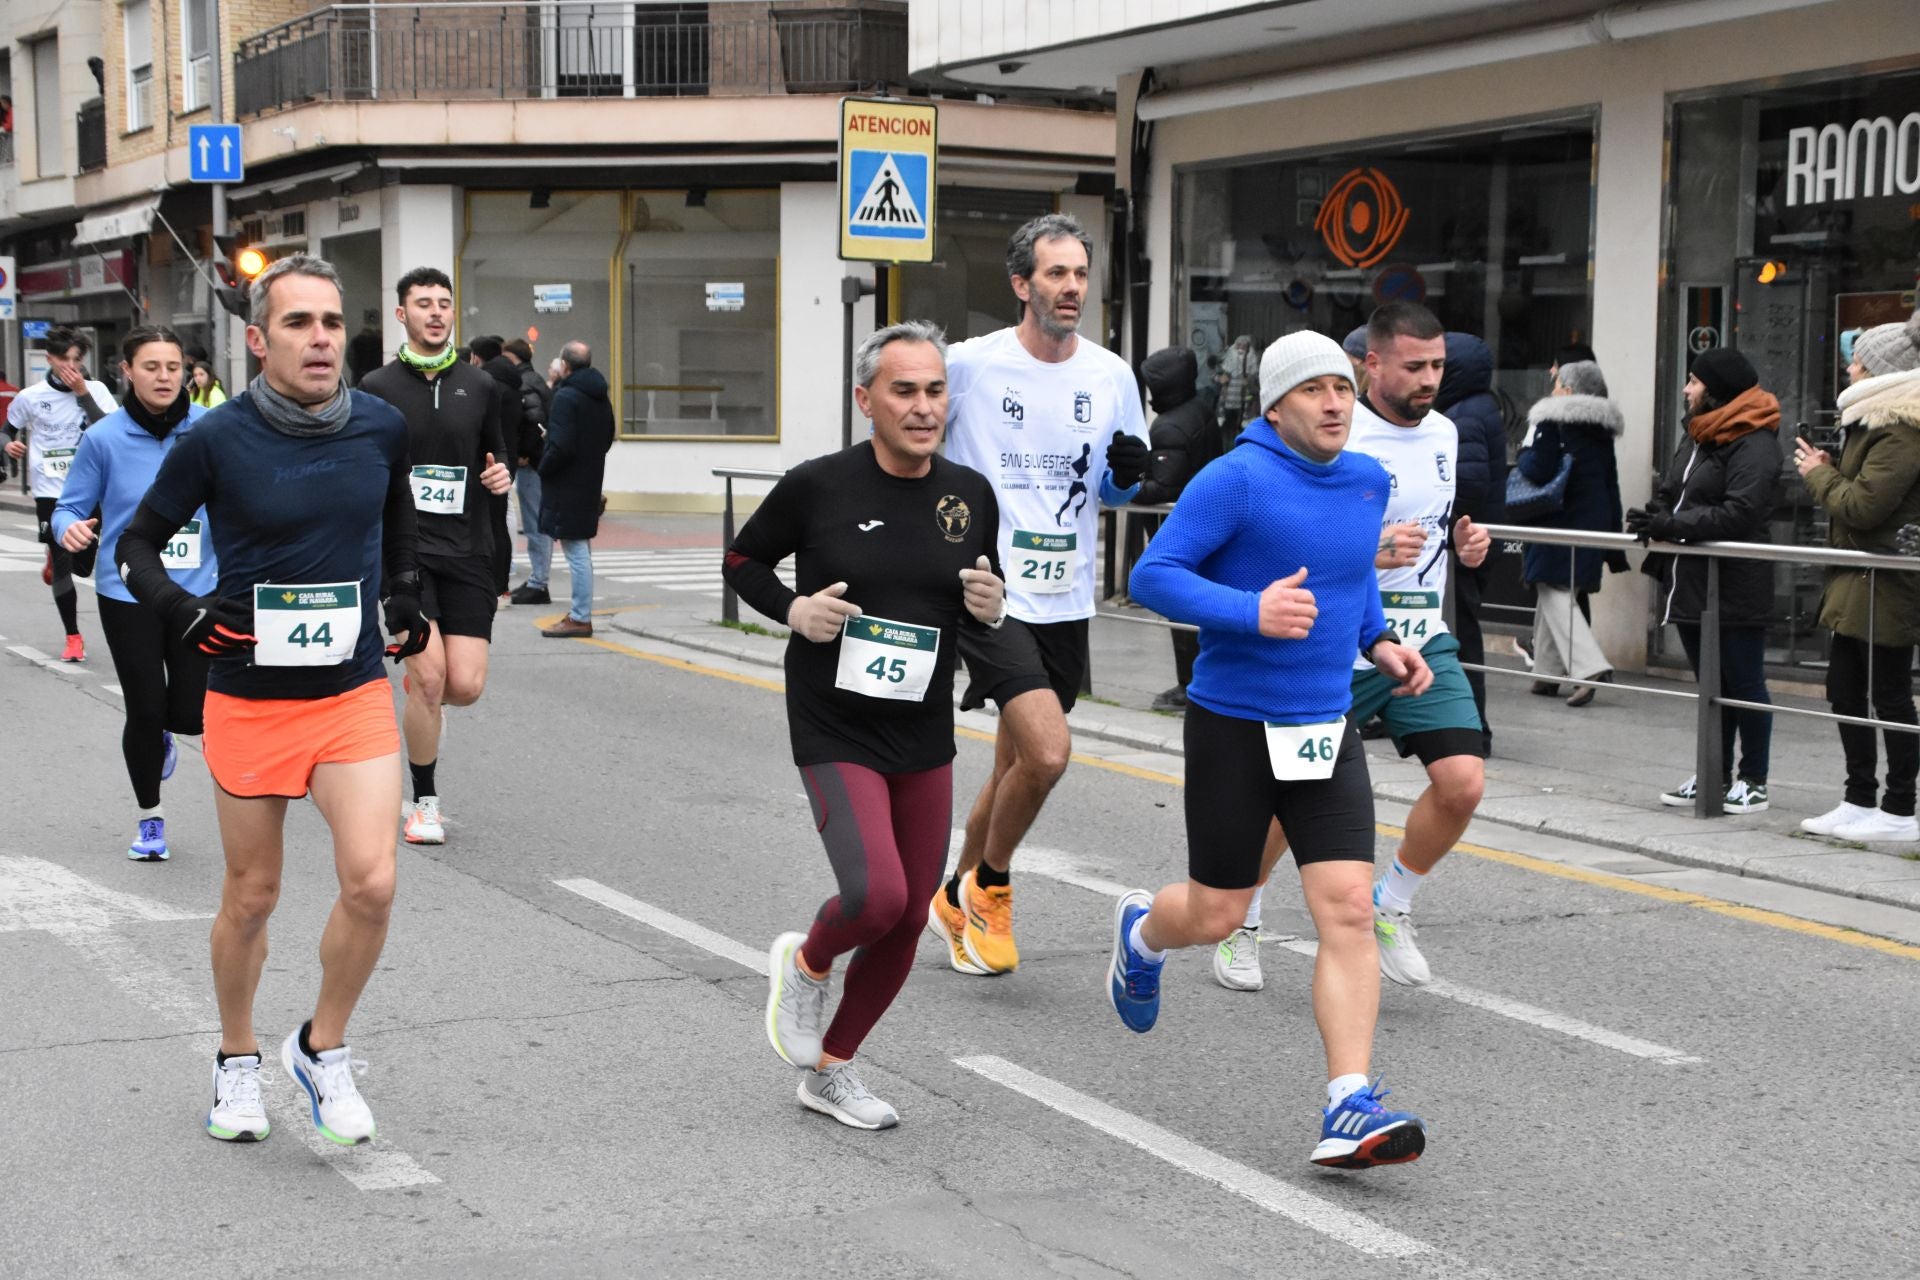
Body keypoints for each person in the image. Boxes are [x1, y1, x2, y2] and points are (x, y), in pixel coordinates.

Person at [113, 253, 429, 1145]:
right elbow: (140, 543)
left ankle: (321, 1049)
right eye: (298, 324)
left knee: (372, 880)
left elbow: (394, 510)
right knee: (253, 895)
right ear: (257, 341)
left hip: (352, 688)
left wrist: (405, 590)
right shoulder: (215, 439)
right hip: (249, 696)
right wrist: (183, 614)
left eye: (331, 322)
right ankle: (237, 1058)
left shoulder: (378, 425)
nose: (321, 338)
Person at [1119, 330, 1434, 1169]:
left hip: (1325, 728)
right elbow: (1154, 575)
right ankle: (1144, 936)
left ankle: (1348, 1104)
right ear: (1274, 406)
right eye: (1313, 391)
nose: (1335, 403)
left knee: (1346, 910)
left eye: (1342, 386)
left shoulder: (1367, 480)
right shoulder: (1236, 480)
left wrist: (1379, 642)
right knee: (1217, 911)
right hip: (1234, 725)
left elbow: (1346, 577)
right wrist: (1249, 611)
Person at [727, 322, 1006, 1130]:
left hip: (919, 725)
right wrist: (794, 610)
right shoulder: (819, 486)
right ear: (866, 400)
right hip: (833, 718)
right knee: (876, 893)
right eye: (904, 391)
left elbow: (981, 596)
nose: (924, 408)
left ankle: (833, 1070)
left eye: (935, 390)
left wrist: (991, 607)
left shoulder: (968, 494)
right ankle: (808, 964)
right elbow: (742, 562)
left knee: (913, 909)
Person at [1214, 303, 1492, 994]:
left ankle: (1391, 903)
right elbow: (1296, 536)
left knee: (1463, 781)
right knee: (1292, 798)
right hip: (1333, 637)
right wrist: (1365, 550)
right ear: (1371, 363)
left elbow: (1434, 523)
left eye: (1437, 367)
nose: (1430, 379)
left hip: (1416, 634)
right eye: (1414, 366)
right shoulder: (1334, 431)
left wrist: (1466, 545)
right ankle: (1241, 918)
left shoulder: (1447, 434)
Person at [929, 212, 1150, 975]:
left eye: (1081, 274)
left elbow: (1118, 491)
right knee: (1049, 756)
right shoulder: (968, 366)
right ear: (1022, 284)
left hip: (1067, 593)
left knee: (1013, 767)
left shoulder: (1112, 374)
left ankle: (953, 896)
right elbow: (909, 428)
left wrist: (1127, 473)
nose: (1072, 288)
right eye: (1056, 274)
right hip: (989, 593)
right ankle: (990, 886)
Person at [359, 267, 511, 846]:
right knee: (429, 680)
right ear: (402, 314)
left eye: (444, 303)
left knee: (464, 685)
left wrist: (501, 476)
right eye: (423, 303)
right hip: (405, 552)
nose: (436, 312)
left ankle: (423, 688)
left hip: (469, 549)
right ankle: (423, 801)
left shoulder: (482, 386)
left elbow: (499, 458)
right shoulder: (376, 387)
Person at [52, 326, 215, 861]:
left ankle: (170, 730)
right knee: (145, 709)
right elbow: (70, 506)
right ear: (127, 371)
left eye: (173, 366)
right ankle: (150, 818)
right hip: (128, 593)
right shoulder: (104, 438)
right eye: (151, 366)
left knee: (191, 714)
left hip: (198, 591)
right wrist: (69, 529)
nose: (164, 376)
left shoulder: (211, 430)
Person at [1629, 347, 1780, 815]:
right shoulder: (1698, 434)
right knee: (1710, 683)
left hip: (1736, 579)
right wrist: (1655, 515)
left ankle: (1754, 779)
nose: (1686, 389)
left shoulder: (1754, 441)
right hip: (1692, 578)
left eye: (1693, 381)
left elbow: (1740, 512)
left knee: (1744, 682)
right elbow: (1675, 492)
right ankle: (1713, 771)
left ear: (1715, 389)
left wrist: (1673, 525)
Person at [1796, 314, 1920, 842]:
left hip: (1886, 578)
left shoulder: (1901, 430)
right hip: (1860, 575)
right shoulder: (1876, 425)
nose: (1849, 367)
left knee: (1888, 693)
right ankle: (1858, 798)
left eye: (1857, 360)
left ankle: (1899, 809)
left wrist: (1817, 473)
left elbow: (1865, 507)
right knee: (1846, 688)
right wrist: (1830, 467)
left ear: (1880, 372)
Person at [1513, 359, 1624, 705]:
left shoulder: (1552, 418)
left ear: (1570, 390)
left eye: (1559, 382)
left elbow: (1539, 467)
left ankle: (1589, 667)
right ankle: (1546, 675)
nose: (1554, 388)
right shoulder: (1600, 428)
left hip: (1558, 518)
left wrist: (1523, 452)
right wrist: (1613, 539)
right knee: (1559, 590)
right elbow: (1611, 484)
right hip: (1593, 518)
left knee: (1554, 589)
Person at [5, 327, 117, 662]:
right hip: (49, 491)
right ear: (50, 359)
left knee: (84, 564)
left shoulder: (96, 390)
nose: (72, 366)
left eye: (77, 360)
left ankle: (57, 559)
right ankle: (73, 636)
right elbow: (6, 430)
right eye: (64, 359)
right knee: (66, 563)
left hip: (90, 488)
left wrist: (82, 393)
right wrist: (9, 445)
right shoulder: (30, 396)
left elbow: (110, 431)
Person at [1135, 344, 1224, 712]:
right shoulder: (1202, 409)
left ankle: (1188, 686)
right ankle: (1199, 681)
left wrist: (1128, 486)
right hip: (1208, 526)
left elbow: (1165, 487)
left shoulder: (1169, 425)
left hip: (1177, 533)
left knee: (1181, 607)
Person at [1435, 331, 1507, 752]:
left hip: (1462, 544)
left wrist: (1438, 523)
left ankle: (1472, 728)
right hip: (1468, 540)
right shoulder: (1473, 407)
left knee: (1460, 632)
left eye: (1437, 364)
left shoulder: (1464, 414)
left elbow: (1468, 484)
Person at [537, 341, 615, 638]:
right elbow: (608, 436)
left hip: (567, 482)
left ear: (565, 366)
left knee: (575, 548)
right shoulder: (600, 396)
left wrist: (544, 465)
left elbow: (560, 444)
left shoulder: (566, 396)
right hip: (590, 477)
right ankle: (579, 613)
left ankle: (580, 616)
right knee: (581, 545)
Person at [470, 334, 525, 603]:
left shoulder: (487, 385)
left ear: (477, 357)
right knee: (501, 520)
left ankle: (495, 582)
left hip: (490, 460)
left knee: (493, 522)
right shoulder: (512, 382)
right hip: (508, 456)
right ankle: (501, 581)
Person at [503, 337, 554, 605]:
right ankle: (537, 579)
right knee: (535, 522)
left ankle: (538, 581)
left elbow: (534, 420)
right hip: (537, 459)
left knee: (535, 524)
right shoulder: (534, 379)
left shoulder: (523, 382)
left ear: (513, 359)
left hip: (531, 462)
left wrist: (523, 452)